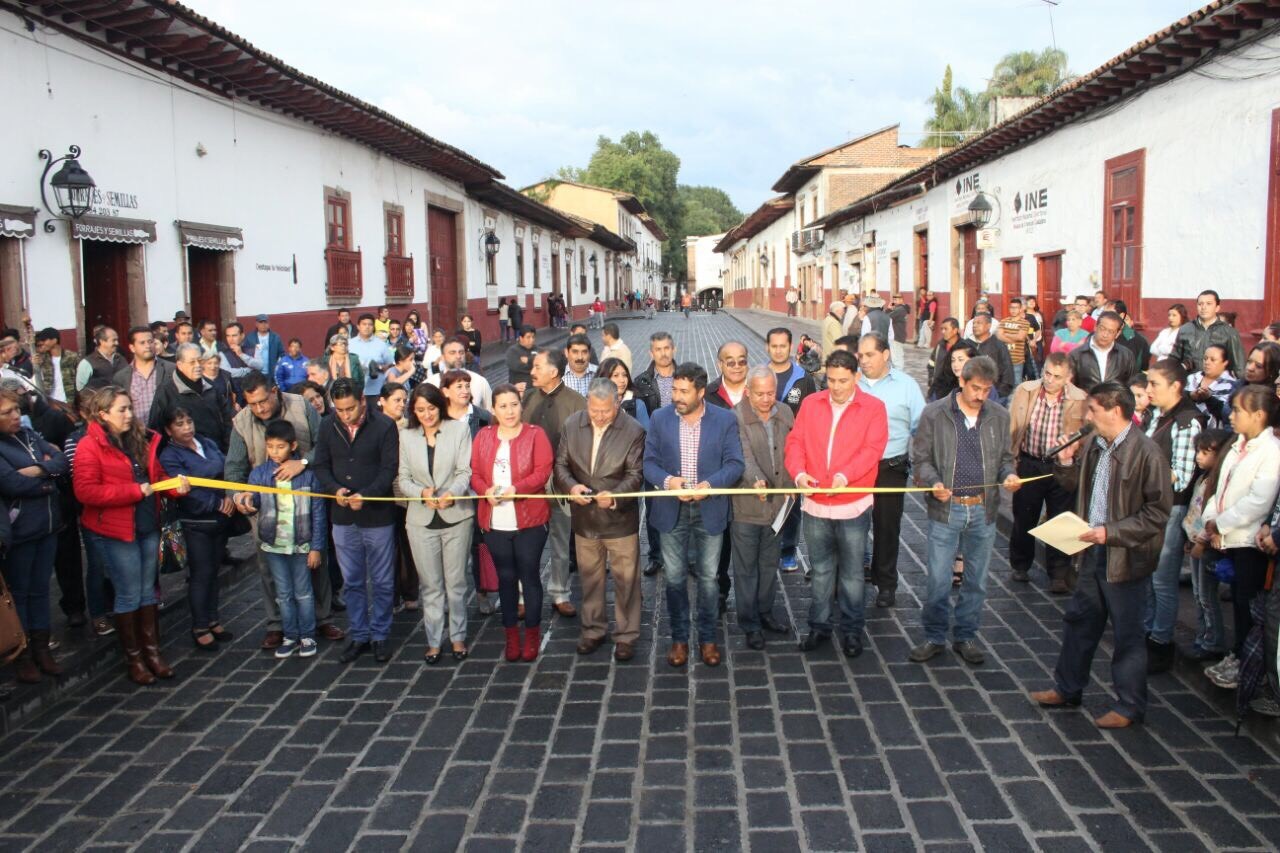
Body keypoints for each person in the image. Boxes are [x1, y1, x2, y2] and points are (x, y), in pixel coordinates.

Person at [1031, 382, 1173, 728]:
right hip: (1092, 549)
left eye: (1093, 409)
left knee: (1126, 634)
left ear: (1115, 410)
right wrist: (1065, 464)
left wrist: (1112, 532)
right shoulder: (1096, 446)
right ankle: (1068, 687)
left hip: (1125, 556)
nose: (1087, 415)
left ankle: (1129, 706)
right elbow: (1076, 488)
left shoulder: (1147, 452)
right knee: (1080, 621)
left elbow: (1157, 513)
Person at [910, 356, 1020, 666]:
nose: (980, 396)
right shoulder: (935, 414)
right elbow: (921, 460)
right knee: (938, 580)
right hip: (947, 509)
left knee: (977, 580)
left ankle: (966, 635)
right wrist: (933, 482)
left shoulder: (999, 416)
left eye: (986, 390)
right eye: (975, 388)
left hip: (983, 510)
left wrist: (1008, 476)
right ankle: (933, 636)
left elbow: (1005, 459)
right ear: (962, 382)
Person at [74, 386, 188, 685]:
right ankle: (134, 658)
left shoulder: (141, 438)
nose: (129, 414)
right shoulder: (90, 446)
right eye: (121, 409)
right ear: (103, 414)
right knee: (128, 592)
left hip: (147, 524)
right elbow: (85, 491)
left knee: (148, 590)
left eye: (129, 407)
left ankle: (153, 652)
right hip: (117, 530)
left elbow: (157, 476)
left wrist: (174, 486)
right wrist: (132, 491)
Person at [225, 371, 339, 648]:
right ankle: (277, 623)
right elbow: (234, 467)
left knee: (315, 559)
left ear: (274, 391)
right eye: (253, 404)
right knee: (268, 567)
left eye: (263, 401)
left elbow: (324, 443)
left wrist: (303, 463)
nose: (260, 408)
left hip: (304, 497)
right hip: (265, 507)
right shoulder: (241, 422)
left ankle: (322, 618)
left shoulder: (301, 406)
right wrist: (239, 494)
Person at [785, 349, 887, 657]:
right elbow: (796, 442)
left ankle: (852, 630)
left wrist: (847, 475)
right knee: (821, 570)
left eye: (843, 380)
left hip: (852, 504)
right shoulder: (811, 404)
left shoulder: (873, 408)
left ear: (856, 377)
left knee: (854, 573)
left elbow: (873, 450)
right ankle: (819, 625)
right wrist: (799, 473)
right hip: (816, 504)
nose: (837, 387)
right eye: (831, 380)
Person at [645, 362, 744, 667]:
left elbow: (735, 464)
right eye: (674, 389)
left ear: (701, 392)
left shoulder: (725, 420)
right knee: (674, 579)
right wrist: (668, 482)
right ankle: (678, 639)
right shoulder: (659, 418)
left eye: (684, 391)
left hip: (709, 509)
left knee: (709, 579)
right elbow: (649, 463)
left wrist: (710, 485)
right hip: (670, 511)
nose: (677, 396)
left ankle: (707, 638)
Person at [555, 378, 646, 661]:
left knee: (626, 580)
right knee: (590, 579)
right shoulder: (572, 424)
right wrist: (571, 487)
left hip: (619, 521)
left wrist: (616, 495)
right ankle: (593, 630)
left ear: (617, 403)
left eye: (605, 411)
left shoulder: (634, 430)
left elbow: (635, 475)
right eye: (594, 410)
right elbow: (560, 465)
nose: (599, 416)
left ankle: (626, 635)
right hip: (584, 519)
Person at [312, 378, 400, 664]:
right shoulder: (327, 426)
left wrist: (368, 493)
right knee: (352, 581)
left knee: (384, 580)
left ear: (362, 400)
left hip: (376, 515)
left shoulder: (384, 426)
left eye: (350, 408)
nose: (345, 414)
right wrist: (334, 489)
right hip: (342, 516)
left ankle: (380, 634)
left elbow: (389, 469)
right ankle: (359, 633)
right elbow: (321, 465)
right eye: (340, 409)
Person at [1198, 386, 1280, 691]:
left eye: (1238, 411)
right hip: (1227, 536)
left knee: (1248, 605)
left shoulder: (1271, 452)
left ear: (1258, 415)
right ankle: (1236, 655)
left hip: (1248, 540)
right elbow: (1220, 487)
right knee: (1237, 601)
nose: (1231, 416)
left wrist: (1221, 524)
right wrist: (1210, 520)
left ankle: (1248, 662)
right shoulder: (1237, 445)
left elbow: (1258, 501)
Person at [473, 384, 554, 662]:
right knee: (505, 578)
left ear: (521, 405)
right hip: (495, 521)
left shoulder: (535, 435)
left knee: (529, 575)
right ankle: (510, 634)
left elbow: (543, 471)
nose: (509, 411)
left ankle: (531, 633)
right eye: (503, 406)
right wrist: (485, 490)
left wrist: (516, 489)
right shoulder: (484, 436)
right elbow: (474, 473)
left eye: (514, 404)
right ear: (494, 409)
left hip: (529, 519)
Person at [399, 383, 475, 664]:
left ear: (440, 406)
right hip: (420, 519)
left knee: (455, 582)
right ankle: (433, 640)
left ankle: (457, 636)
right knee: (430, 585)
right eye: (420, 410)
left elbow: (465, 471)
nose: (427, 415)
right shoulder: (406, 436)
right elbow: (403, 477)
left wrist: (451, 494)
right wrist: (421, 493)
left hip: (456, 516)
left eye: (431, 408)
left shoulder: (459, 429)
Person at [1142, 359, 1208, 671]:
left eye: (1155, 384)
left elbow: (1181, 476)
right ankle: (1147, 630)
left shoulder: (1186, 421)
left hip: (1171, 507)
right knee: (1147, 574)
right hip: (1149, 505)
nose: (1149, 389)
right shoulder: (1156, 414)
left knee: (1162, 579)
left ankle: (1161, 640)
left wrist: (1141, 468)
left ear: (1175, 387)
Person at [0, 388, 69, 682]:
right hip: (21, 530)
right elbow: (11, 483)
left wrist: (38, 470)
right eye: (7, 412)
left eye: (16, 410)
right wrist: (47, 477)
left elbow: (61, 461)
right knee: (21, 592)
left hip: (48, 523)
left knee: (41, 590)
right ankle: (23, 651)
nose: (16, 416)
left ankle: (43, 648)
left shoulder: (29, 436)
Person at [243, 420, 326, 660]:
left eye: (280, 447)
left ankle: (308, 634)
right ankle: (290, 635)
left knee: (304, 592)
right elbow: (253, 503)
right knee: (283, 593)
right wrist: (247, 503)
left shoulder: (308, 477)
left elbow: (318, 514)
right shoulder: (259, 474)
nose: (275, 452)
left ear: (292, 446)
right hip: (273, 545)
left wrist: (316, 547)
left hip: (302, 544)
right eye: (270, 447)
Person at [157, 407, 235, 651]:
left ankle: (213, 618)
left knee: (213, 572)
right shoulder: (170, 456)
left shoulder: (206, 442)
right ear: (169, 430)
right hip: (196, 521)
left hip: (221, 518)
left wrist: (227, 496)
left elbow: (225, 464)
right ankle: (200, 625)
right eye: (179, 424)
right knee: (200, 574)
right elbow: (186, 491)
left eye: (189, 421)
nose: (187, 427)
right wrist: (215, 501)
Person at [1007, 352, 1086, 593]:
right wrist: (1011, 463)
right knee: (1024, 516)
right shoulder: (1026, 390)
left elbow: (1084, 436)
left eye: (1057, 377)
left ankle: (1058, 572)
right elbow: (1012, 426)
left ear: (1068, 377)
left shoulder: (1080, 399)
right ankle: (1020, 564)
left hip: (1061, 466)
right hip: (1030, 462)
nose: (1050, 380)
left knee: (1059, 518)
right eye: (1048, 374)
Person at [857, 333, 925, 609]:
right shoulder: (852, 384)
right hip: (855, 467)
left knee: (887, 527)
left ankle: (885, 583)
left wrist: (923, 464)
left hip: (890, 466)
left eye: (869, 355)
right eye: (860, 356)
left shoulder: (907, 386)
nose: (863, 361)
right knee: (852, 526)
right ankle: (847, 578)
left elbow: (921, 427)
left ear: (885, 355)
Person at [730, 367, 795, 649]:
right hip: (747, 504)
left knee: (770, 562)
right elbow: (742, 455)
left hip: (779, 505)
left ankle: (766, 611)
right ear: (748, 392)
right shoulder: (734, 416)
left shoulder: (786, 412)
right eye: (760, 394)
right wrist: (756, 479)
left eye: (771, 392)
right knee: (746, 567)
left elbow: (793, 450)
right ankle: (749, 622)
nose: (767, 399)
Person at [522, 348, 586, 616]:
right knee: (526, 543)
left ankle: (560, 592)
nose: (532, 372)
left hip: (561, 483)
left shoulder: (577, 402)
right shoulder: (526, 399)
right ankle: (523, 596)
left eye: (537, 367)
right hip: (528, 485)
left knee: (561, 541)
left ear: (554, 372)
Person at [1183, 430, 1232, 663]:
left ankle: (1214, 641)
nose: (1198, 458)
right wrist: (1188, 537)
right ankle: (1202, 636)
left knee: (1206, 594)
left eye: (1205, 453)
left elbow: (1210, 516)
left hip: (1206, 545)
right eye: (1198, 452)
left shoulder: (1217, 482)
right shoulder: (1202, 478)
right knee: (1197, 593)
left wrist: (1201, 542)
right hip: (1194, 541)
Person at [633, 332, 677, 578]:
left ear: (674, 349)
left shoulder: (686, 376)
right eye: (658, 349)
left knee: (684, 504)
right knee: (653, 507)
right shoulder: (642, 382)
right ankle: (656, 555)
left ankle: (687, 556)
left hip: (683, 448)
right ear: (651, 353)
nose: (663, 353)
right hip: (654, 452)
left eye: (667, 348)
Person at [149, 344, 232, 450]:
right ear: (179, 365)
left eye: (200, 361)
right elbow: (156, 430)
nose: (197, 365)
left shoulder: (210, 386)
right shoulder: (166, 392)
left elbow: (227, 419)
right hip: (185, 457)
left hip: (218, 452)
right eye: (192, 362)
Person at [1172, 289, 1246, 375]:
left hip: (1218, 385)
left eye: (1209, 304)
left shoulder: (1229, 332)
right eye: (1200, 304)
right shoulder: (1185, 329)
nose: (1203, 307)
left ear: (1217, 308)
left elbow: (1239, 366)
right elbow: (1174, 359)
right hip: (1189, 383)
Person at [113, 326, 175, 427]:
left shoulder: (170, 370)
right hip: (135, 435)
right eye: (142, 343)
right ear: (132, 348)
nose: (148, 346)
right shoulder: (121, 377)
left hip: (165, 434)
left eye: (150, 342)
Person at [1068, 311, 1135, 391]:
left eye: (1111, 331)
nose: (1105, 335)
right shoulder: (1076, 355)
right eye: (1102, 329)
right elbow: (1070, 387)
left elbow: (1130, 386)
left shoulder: (1126, 356)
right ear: (1095, 327)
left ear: (1117, 334)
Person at [426, 339, 493, 411]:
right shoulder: (431, 384)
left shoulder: (479, 381)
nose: (458, 356)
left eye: (461, 352)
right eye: (452, 353)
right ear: (442, 357)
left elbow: (491, 412)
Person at [348, 314, 394, 409]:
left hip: (376, 390)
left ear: (373, 327)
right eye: (364, 324)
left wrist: (380, 368)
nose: (367, 327)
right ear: (358, 326)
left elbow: (391, 364)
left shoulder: (381, 344)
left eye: (370, 324)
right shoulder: (349, 344)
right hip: (355, 391)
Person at [1187, 344, 1236, 428]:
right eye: (1205, 359)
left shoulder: (1231, 385)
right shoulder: (1192, 378)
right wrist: (1190, 396)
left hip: (1215, 433)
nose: (1207, 362)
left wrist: (1209, 399)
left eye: (1213, 360)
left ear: (1225, 362)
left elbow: (1227, 413)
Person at [968, 314, 1014, 403]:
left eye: (979, 323)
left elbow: (1008, 372)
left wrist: (999, 394)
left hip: (994, 397)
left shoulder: (998, 345)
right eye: (974, 323)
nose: (975, 326)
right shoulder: (967, 345)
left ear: (988, 325)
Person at [29, 324, 79, 404]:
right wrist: (35, 364)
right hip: (49, 399)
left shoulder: (72, 356)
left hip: (69, 399)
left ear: (54, 340)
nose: (43, 343)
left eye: (45, 340)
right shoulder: (42, 358)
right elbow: (36, 376)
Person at [598, 357, 649, 429]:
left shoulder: (638, 405)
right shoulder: (594, 404)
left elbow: (646, 436)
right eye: (616, 375)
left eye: (624, 375)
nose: (622, 380)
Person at [75, 326, 126, 390]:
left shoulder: (121, 359)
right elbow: (81, 390)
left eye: (117, 340)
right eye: (113, 340)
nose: (117, 343)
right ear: (102, 341)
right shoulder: (87, 363)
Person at [998, 298, 1034, 387]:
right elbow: (999, 336)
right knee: (1003, 384)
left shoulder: (1025, 323)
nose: (1013, 310)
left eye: (1016, 308)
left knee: (1017, 385)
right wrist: (1014, 336)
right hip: (1003, 359)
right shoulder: (1003, 321)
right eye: (1011, 307)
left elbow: (1020, 337)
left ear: (1021, 309)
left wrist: (1006, 334)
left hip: (1017, 360)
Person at [927, 319, 963, 402]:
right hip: (937, 389)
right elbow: (931, 364)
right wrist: (931, 382)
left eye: (946, 329)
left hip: (955, 391)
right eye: (942, 329)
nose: (943, 331)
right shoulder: (940, 345)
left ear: (955, 330)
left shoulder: (963, 347)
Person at [706, 341, 749, 408]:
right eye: (731, 363)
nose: (737, 366)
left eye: (742, 361)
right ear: (720, 365)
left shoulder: (760, 388)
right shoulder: (708, 393)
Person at [505, 326, 537, 392]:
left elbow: (545, 365)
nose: (531, 340)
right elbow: (516, 366)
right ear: (521, 338)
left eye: (533, 337)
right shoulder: (512, 351)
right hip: (519, 390)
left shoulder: (538, 349)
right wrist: (536, 365)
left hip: (536, 390)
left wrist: (528, 360)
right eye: (528, 337)